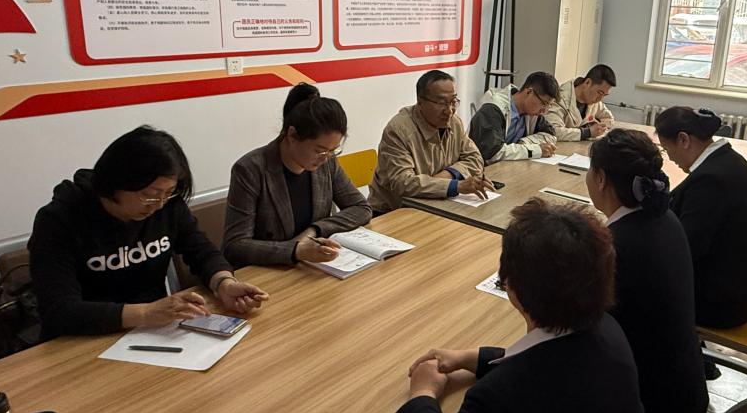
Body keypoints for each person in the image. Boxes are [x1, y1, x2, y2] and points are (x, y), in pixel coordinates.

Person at [391, 199, 655, 413]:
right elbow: (549, 365)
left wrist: (423, 393)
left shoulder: (500, 397)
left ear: (512, 289)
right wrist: (474, 357)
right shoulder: (609, 332)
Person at [30, 126, 268, 338]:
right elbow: (59, 310)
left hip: (151, 333)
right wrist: (145, 312)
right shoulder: (59, 219)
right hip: (81, 340)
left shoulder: (167, 205)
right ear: (118, 182)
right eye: (150, 195)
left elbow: (201, 251)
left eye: (168, 193)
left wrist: (224, 283)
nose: (159, 204)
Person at [585, 129, 707, 413]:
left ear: (600, 178)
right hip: (683, 404)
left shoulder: (613, 250)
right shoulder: (665, 219)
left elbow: (568, 346)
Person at [223, 83, 372, 268]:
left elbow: (361, 208)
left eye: (333, 150)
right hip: (268, 271)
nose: (325, 158)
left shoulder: (327, 163)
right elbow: (235, 246)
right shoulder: (251, 169)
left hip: (312, 268)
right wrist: (296, 250)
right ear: (292, 135)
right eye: (319, 150)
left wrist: (315, 230)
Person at [655, 106, 747, 328]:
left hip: (723, 302)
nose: (670, 158)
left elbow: (686, 249)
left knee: (630, 287)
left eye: (667, 149)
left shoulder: (711, 181)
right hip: (741, 286)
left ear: (684, 139)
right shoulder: (728, 159)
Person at [368, 71, 492, 214]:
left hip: (436, 204)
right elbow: (403, 183)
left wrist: (448, 175)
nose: (449, 111)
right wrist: (456, 186)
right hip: (393, 212)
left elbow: (475, 159)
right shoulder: (398, 130)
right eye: (442, 103)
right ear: (420, 102)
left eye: (453, 102)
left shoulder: (454, 122)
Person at [468, 71, 560, 163]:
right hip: (480, 167)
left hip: (507, 165)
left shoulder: (532, 113)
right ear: (529, 92)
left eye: (549, 105)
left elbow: (550, 134)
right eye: (544, 103)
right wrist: (534, 150)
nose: (544, 111)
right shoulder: (493, 109)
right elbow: (492, 153)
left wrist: (524, 143)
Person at [546, 63, 617, 141]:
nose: (600, 99)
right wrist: (587, 132)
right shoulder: (560, 98)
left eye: (604, 95)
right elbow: (554, 131)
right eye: (600, 93)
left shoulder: (595, 102)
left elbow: (609, 118)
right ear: (587, 83)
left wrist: (596, 126)